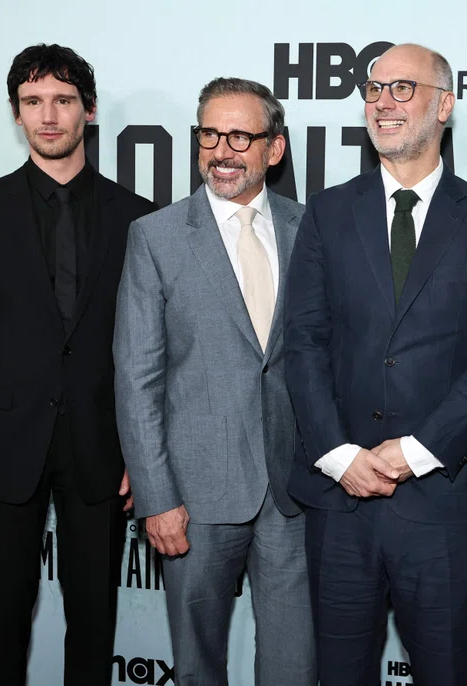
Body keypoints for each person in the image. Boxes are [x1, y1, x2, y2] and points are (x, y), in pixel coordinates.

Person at [283, 43, 467, 685]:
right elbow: (303, 341)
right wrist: (338, 454)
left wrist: (415, 451)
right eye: (373, 89)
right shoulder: (327, 212)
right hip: (341, 504)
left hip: (444, 505)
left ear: (443, 105)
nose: (382, 103)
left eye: (401, 89)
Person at [0, 43, 155, 686]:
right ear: (16, 113)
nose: (48, 116)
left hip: (101, 450)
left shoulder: (136, 218)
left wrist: (143, 453)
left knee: (94, 624)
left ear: (88, 110)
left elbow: (150, 351)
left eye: (61, 100)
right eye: (33, 102)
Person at [113, 77, 316, 686]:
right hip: (194, 497)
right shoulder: (156, 236)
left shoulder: (310, 230)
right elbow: (137, 375)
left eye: (239, 136)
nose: (221, 150)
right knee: (197, 666)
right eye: (209, 134)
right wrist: (157, 497)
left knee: (294, 665)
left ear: (273, 150)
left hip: (293, 493)